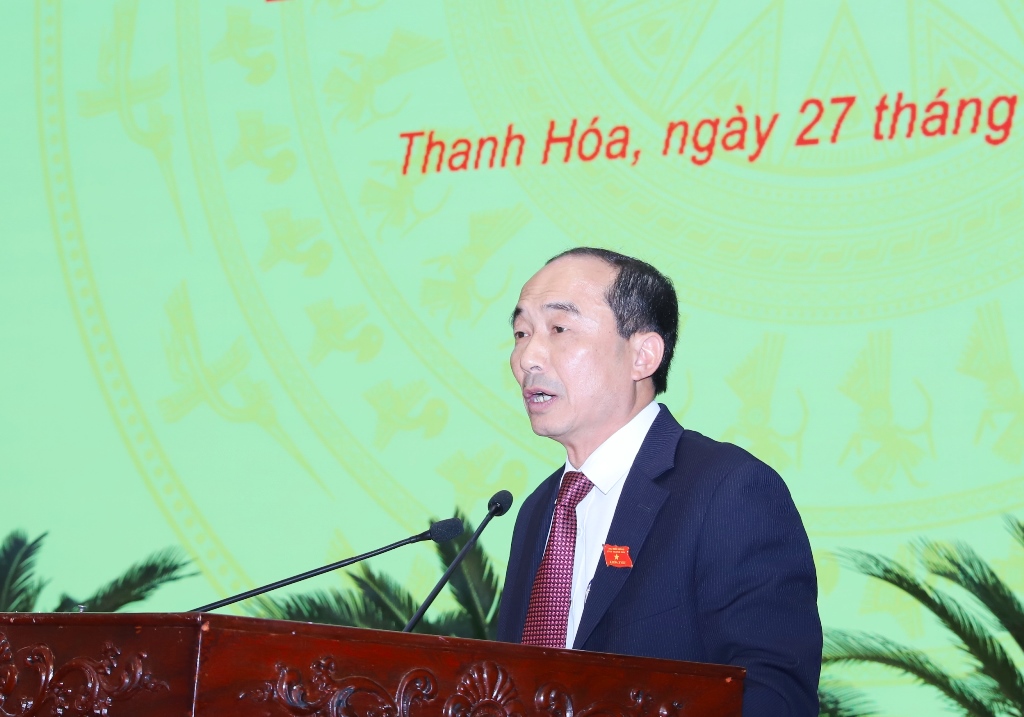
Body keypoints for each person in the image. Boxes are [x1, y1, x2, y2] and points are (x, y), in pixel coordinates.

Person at [496, 247, 821, 717]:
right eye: (521, 333)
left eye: (559, 329)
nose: (527, 357)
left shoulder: (728, 489)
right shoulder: (537, 509)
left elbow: (773, 695)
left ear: (642, 355)